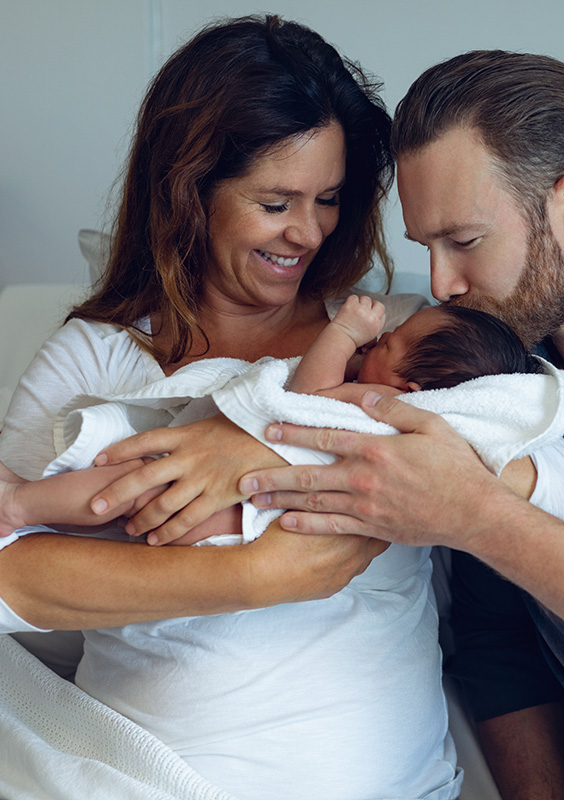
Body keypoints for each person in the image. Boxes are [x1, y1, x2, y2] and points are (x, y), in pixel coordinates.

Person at [94, 50, 564, 799]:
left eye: (462, 242)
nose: (439, 284)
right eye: (426, 248)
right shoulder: (481, 383)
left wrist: (478, 516)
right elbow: (499, 651)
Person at [0, 15, 462, 800]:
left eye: (328, 199)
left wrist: (253, 446)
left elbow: (528, 459)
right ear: (190, 191)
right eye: (277, 201)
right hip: (148, 777)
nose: (309, 232)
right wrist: (255, 576)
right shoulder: (98, 355)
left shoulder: (399, 342)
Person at [0, 297, 549, 546]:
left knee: (131, 492)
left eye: (389, 344)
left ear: (407, 389)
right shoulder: (419, 415)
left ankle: (22, 503)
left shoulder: (382, 405)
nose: (376, 342)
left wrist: (343, 333)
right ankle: (27, 509)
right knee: (130, 509)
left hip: (256, 506)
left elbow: (308, 394)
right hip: (252, 509)